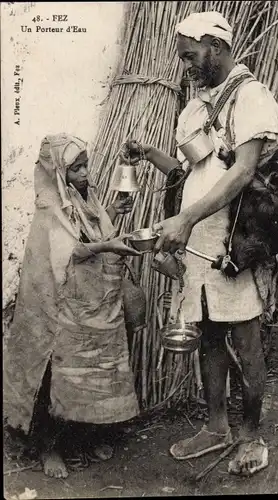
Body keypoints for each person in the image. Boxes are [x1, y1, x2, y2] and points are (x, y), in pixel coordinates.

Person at [122, 11, 278, 476]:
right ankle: (215, 427)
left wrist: (188, 218)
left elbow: (243, 170)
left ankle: (251, 438)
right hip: (197, 247)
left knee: (246, 343)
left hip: (234, 246)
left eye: (191, 56)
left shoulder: (251, 97)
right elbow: (188, 172)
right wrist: (149, 154)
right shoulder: (197, 106)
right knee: (210, 338)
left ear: (216, 45)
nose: (186, 66)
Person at [3, 133, 142, 479]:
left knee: (88, 373)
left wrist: (111, 213)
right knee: (55, 373)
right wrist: (109, 245)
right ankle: (49, 449)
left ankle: (82, 439)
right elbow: (71, 252)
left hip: (86, 303)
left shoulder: (84, 197)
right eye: (76, 168)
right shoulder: (50, 205)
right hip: (56, 308)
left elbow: (89, 233)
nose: (85, 174)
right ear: (60, 171)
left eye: (86, 166)